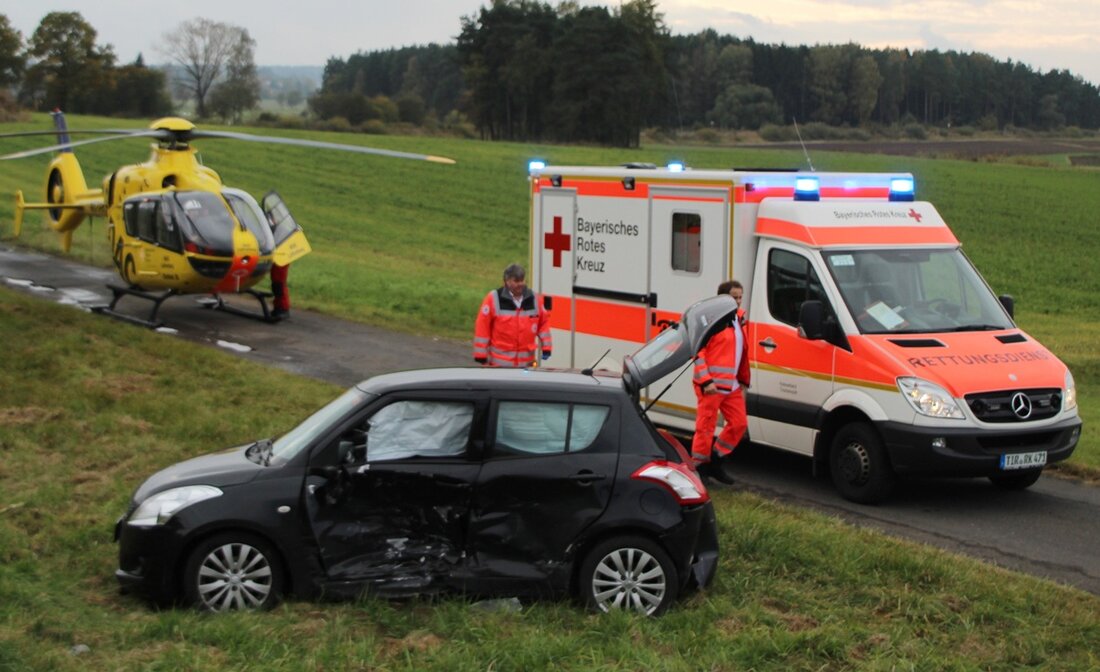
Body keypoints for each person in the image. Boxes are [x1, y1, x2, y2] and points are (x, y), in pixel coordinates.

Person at [691, 280, 750, 485]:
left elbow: (741, 353)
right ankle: (700, 469)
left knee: (739, 424)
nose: (739, 301)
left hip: (731, 385)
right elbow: (698, 353)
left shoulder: (739, 320)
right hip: (711, 386)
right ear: (723, 299)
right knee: (705, 428)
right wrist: (706, 381)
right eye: (735, 297)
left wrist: (743, 380)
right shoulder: (712, 321)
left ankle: (716, 460)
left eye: (740, 297)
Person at [473, 263, 552, 367]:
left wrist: (547, 347)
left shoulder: (534, 298)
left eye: (522, 280)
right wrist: (481, 355)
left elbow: (543, 323)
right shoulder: (493, 298)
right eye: (516, 281)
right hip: (499, 367)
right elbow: (482, 326)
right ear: (507, 281)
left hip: (526, 366)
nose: (520, 284)